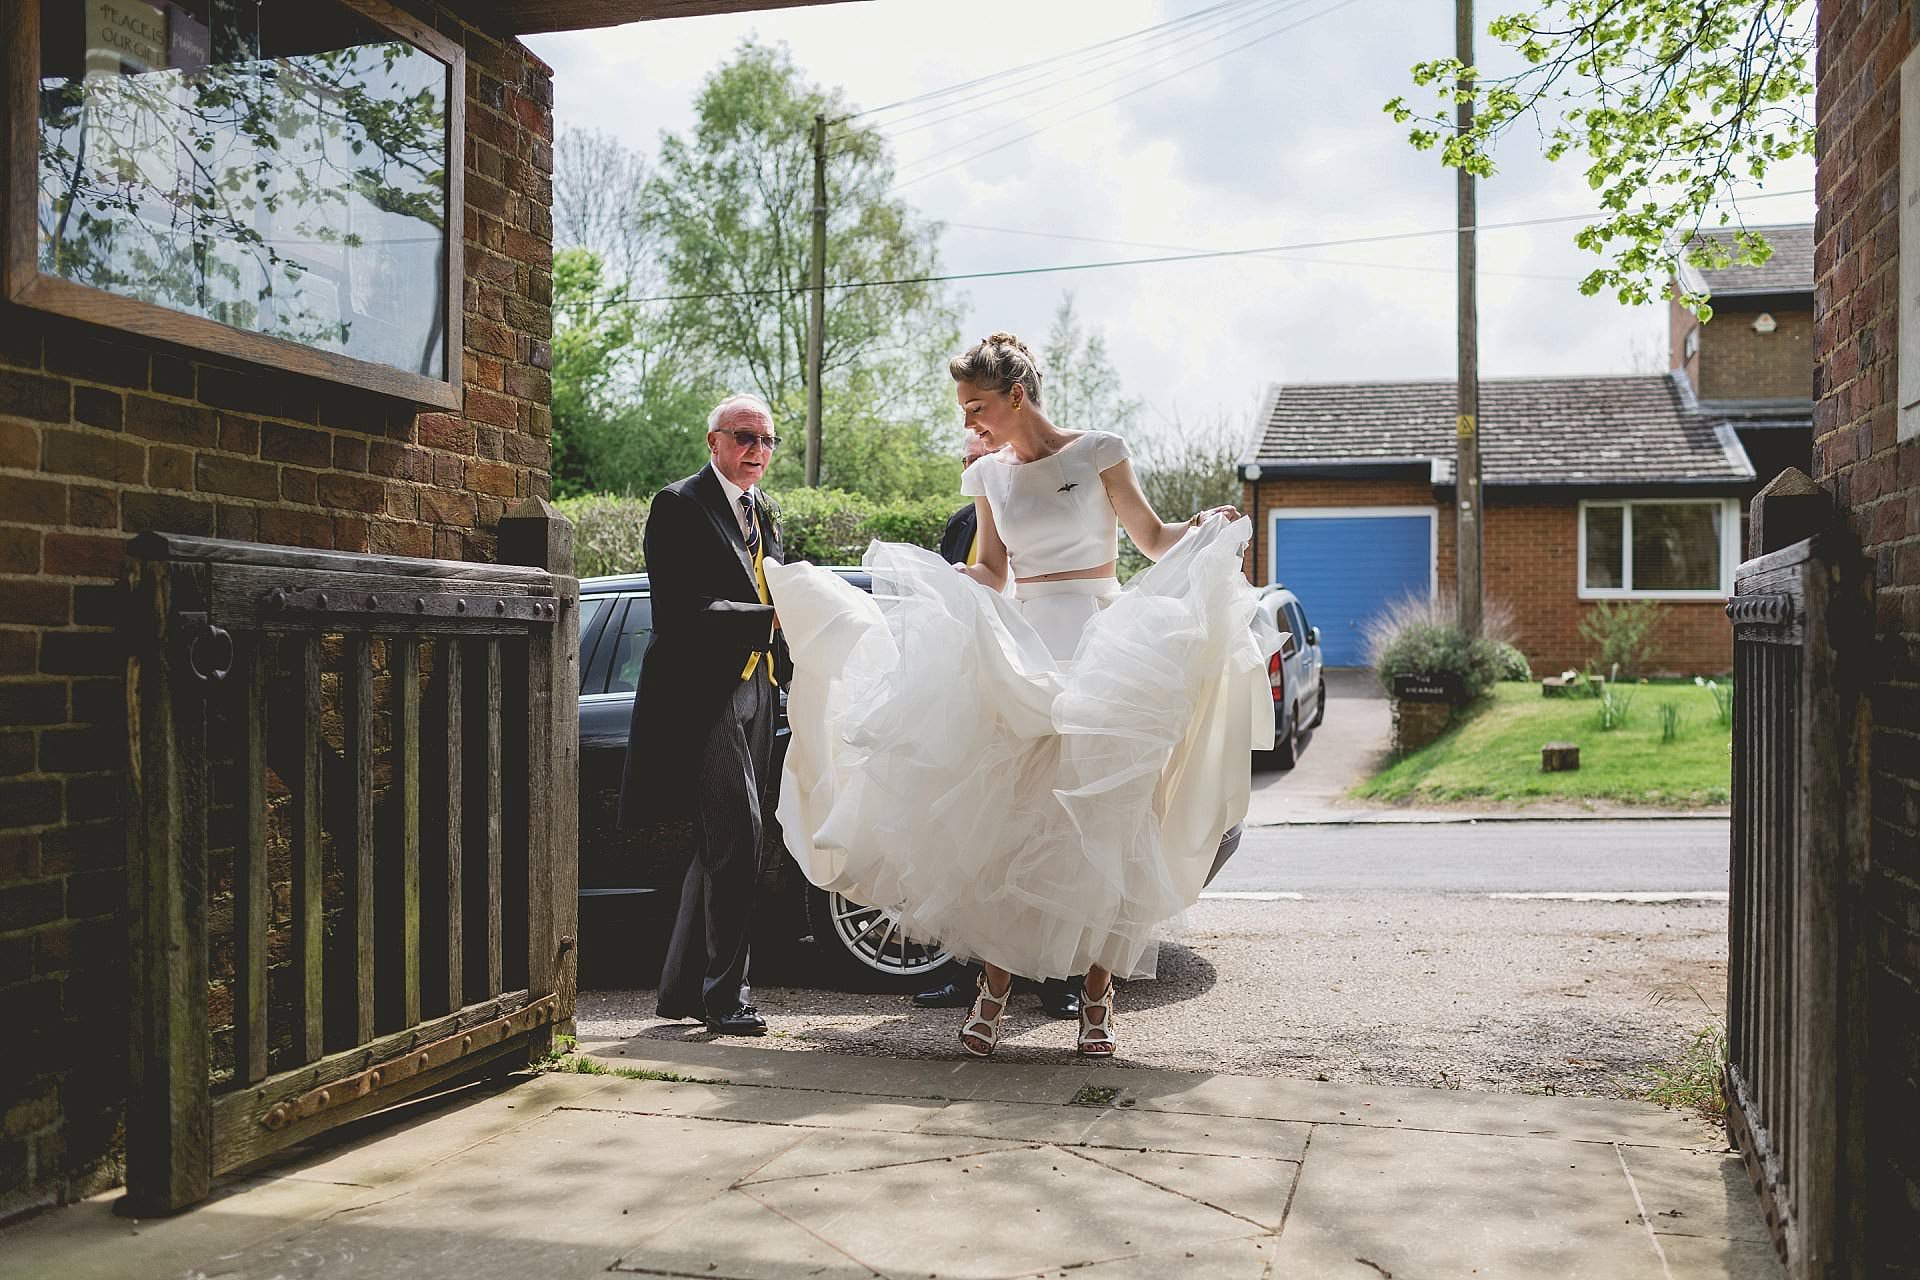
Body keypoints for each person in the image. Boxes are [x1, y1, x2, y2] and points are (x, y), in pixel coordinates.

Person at [767, 333, 1280, 1060]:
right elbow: (992, 571)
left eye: (978, 408)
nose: (970, 424)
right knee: (1015, 825)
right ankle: (994, 993)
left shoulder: (1100, 450)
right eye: (963, 410)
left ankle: (1098, 1000)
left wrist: (1204, 531)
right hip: (1027, 650)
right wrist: (936, 590)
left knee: (1109, 827)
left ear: (1016, 396)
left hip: (1107, 648)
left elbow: (1153, 537)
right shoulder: (990, 480)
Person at [617, 393, 788, 1037]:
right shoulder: (679, 505)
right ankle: (726, 998)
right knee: (739, 839)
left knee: (721, 846)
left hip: (760, 695)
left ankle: (683, 990)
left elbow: (779, 593)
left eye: (768, 441)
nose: (757, 451)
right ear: (713, 440)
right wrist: (766, 620)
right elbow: (680, 613)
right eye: (745, 436)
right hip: (702, 698)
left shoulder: (764, 513)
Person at [914, 430, 1082, 1021]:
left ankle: (1062, 978)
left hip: (1045, 670)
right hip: (987, 687)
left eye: (980, 457)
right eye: (966, 461)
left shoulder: (1051, 499)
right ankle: (969, 974)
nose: (973, 468)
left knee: (1054, 832)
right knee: (984, 834)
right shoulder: (965, 520)